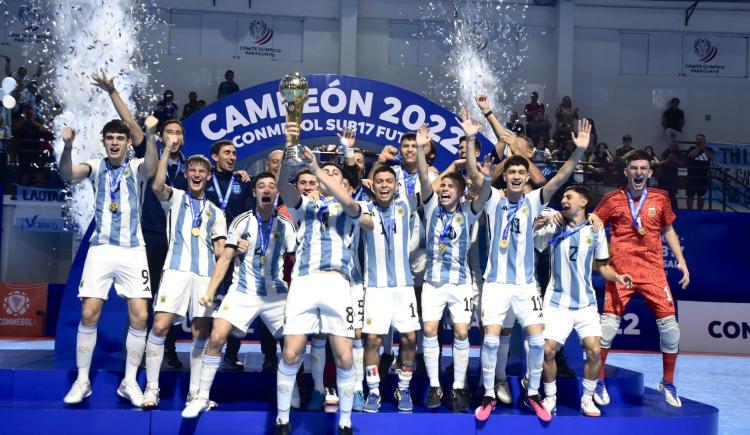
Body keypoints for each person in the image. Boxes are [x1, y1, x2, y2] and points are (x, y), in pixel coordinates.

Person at [473, 119, 592, 423]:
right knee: (489, 340)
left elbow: (560, 177)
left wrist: (578, 153)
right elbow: (478, 180)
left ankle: (534, 393)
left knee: (537, 342)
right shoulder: (493, 200)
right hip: (496, 285)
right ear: (505, 177)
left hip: (526, 287)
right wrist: (471, 139)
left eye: (520, 172)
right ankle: (488, 395)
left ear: (526, 176)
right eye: (510, 172)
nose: (515, 176)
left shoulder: (533, 201)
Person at [59, 116, 158, 407]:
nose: (115, 142)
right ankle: (82, 380)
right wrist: (67, 147)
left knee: (140, 315)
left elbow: (152, 168)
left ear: (128, 143)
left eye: (120, 138)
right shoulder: (94, 165)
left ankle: (129, 382)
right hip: (100, 248)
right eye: (110, 138)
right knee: (89, 312)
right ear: (104, 142)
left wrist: (150, 135)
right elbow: (67, 175)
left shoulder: (136, 167)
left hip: (132, 249)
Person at [181, 172, 297, 418]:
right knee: (216, 336)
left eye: (271, 186)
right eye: (261, 186)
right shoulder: (240, 222)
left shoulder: (286, 225)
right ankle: (201, 397)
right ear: (254, 193)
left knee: (292, 345)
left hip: (275, 295)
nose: (266, 190)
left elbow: (296, 264)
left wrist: (299, 297)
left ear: (277, 193)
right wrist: (211, 291)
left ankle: (292, 388)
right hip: (243, 291)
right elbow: (224, 258)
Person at [91, 70, 186, 369]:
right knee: (142, 299)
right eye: (168, 132)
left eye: (178, 133)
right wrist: (112, 92)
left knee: (168, 298)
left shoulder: (190, 167)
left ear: (183, 139)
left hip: (176, 240)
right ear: (161, 136)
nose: (174, 137)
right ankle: (136, 356)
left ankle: (167, 350)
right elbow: (131, 124)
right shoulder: (149, 154)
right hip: (148, 236)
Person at [274, 122, 359, 435]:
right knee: (291, 351)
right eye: (326, 174)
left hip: (337, 283)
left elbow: (348, 203)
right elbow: (284, 186)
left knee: (345, 355)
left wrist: (318, 169)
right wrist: (288, 149)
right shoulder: (306, 204)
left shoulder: (351, 206)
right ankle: (282, 419)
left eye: (335, 174)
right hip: (305, 282)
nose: (328, 175)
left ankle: (346, 421)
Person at [590, 149, 690, 409]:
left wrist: (680, 260)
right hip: (620, 271)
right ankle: (598, 382)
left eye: (643, 168)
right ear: (626, 172)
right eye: (634, 168)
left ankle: (667, 383)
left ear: (650, 171)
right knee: (607, 330)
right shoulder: (612, 199)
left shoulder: (661, 198)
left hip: (653, 271)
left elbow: (668, 228)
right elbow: (594, 222)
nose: (638, 172)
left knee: (671, 330)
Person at [416, 110, 492, 413]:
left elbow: (484, 190)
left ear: (460, 193)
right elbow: (424, 177)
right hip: (433, 284)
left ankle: (459, 388)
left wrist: (472, 138)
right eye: (443, 186)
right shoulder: (431, 207)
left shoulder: (468, 212)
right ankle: (435, 386)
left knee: (461, 334)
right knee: (430, 330)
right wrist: (423, 150)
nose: (445, 189)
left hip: (460, 284)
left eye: (451, 187)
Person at [535, 186, 632, 417]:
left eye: (569, 197)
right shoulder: (554, 223)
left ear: (584, 201)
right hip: (557, 302)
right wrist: (543, 220)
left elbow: (603, 266)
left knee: (594, 351)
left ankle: (587, 399)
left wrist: (618, 276)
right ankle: (550, 397)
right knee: (547, 351)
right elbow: (536, 226)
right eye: (563, 198)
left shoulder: (596, 231)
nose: (564, 201)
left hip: (586, 304)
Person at [143, 145, 227, 410]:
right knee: (159, 326)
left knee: (201, 333)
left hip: (204, 275)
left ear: (209, 175)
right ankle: (151, 388)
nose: (197, 174)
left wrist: (236, 251)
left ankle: (195, 393)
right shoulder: (175, 197)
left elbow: (220, 251)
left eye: (202, 171)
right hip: (175, 272)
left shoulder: (217, 212)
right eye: (193, 170)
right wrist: (166, 152)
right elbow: (157, 185)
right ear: (186, 173)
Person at [360, 165, 421, 413]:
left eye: (389, 181)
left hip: (404, 287)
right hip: (375, 288)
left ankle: (403, 388)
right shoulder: (364, 209)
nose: (384, 185)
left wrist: (419, 149)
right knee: (373, 340)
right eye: (379, 181)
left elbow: (430, 187)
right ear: (372, 185)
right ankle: (373, 391)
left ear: (396, 186)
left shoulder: (405, 206)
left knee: (410, 338)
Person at [205, 140, 255, 370]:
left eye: (234, 153)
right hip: (206, 247)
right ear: (215, 157)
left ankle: (232, 354)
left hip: (234, 251)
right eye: (227, 153)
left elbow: (249, 214)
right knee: (206, 302)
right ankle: (200, 351)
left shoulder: (242, 182)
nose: (232, 157)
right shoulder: (204, 179)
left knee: (233, 303)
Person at [685, 134, 714, 210]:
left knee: (701, 195)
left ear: (704, 140)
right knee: (690, 195)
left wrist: (703, 148)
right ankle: (689, 211)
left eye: (701, 139)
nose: (699, 140)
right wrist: (699, 147)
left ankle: (699, 211)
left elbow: (711, 157)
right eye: (698, 139)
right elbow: (691, 155)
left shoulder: (709, 149)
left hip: (703, 176)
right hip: (692, 176)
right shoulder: (692, 148)